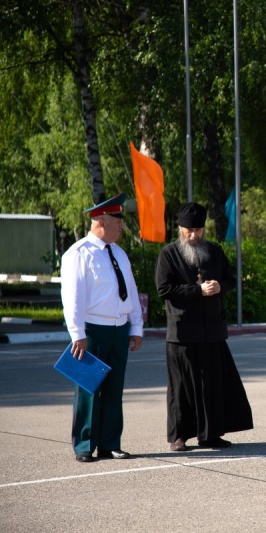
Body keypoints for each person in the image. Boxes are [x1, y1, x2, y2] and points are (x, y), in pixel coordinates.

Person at [155, 202, 253, 452]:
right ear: (180, 228)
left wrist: (221, 287)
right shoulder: (169, 254)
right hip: (182, 333)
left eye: (198, 230)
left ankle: (210, 435)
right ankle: (178, 436)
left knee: (211, 385)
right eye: (189, 230)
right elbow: (164, 289)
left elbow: (230, 279)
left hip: (212, 331)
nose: (193, 235)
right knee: (181, 387)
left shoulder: (214, 251)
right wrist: (198, 290)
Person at [60, 193, 143, 463]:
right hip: (93, 330)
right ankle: (84, 444)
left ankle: (109, 443)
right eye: (116, 220)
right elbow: (72, 297)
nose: (121, 225)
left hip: (119, 329)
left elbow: (130, 291)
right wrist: (77, 334)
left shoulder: (118, 252)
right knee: (88, 389)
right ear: (100, 221)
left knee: (114, 389)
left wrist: (136, 327)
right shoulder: (78, 253)